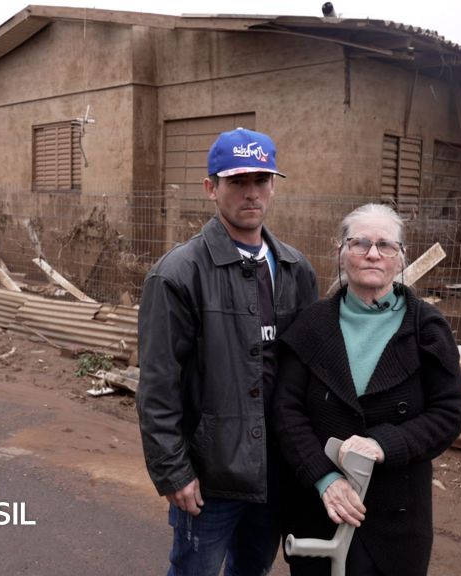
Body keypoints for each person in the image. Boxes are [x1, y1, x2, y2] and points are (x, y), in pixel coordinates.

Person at [136, 127, 318, 575]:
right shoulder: (178, 274)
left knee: (253, 568)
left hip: (275, 470)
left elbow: (308, 372)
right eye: (237, 181)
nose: (251, 193)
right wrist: (173, 471)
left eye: (261, 180)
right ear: (211, 188)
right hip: (209, 475)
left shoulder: (296, 269)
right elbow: (158, 385)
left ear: (273, 186)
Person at [274, 203, 461, 576]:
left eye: (385, 245)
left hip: (397, 521)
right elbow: (286, 411)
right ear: (340, 252)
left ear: (401, 256)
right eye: (360, 243)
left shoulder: (427, 329)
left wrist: (382, 444)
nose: (373, 254)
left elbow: (447, 415)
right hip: (320, 510)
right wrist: (324, 478)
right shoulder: (310, 326)